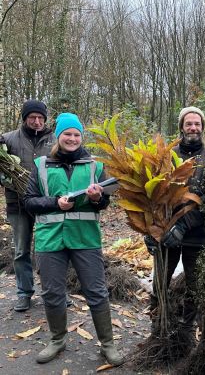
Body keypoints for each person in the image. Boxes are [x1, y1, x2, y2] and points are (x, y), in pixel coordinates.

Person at [24, 113, 124, 366]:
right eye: (67, 134)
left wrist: (96, 199)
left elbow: (103, 202)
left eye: (77, 134)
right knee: (52, 293)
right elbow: (29, 201)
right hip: (50, 240)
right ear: (59, 136)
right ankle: (57, 340)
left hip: (86, 239)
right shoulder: (40, 165)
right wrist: (54, 203)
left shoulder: (95, 165)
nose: (72, 138)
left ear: (82, 137)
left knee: (97, 292)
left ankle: (107, 345)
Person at [144, 106, 205, 335]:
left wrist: (184, 224)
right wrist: (149, 231)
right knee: (159, 282)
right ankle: (158, 325)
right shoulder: (164, 156)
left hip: (196, 235)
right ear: (181, 127)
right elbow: (150, 195)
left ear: (202, 128)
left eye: (197, 124)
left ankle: (186, 330)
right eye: (188, 123)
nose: (193, 128)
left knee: (194, 285)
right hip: (165, 232)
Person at [0, 100, 55, 312]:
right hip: (18, 205)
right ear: (24, 118)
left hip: (46, 203)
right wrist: (6, 179)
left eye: (40, 118)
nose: (37, 121)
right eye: (32, 117)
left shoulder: (55, 139)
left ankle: (54, 291)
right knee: (21, 250)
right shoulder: (8, 139)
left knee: (51, 249)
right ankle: (24, 293)